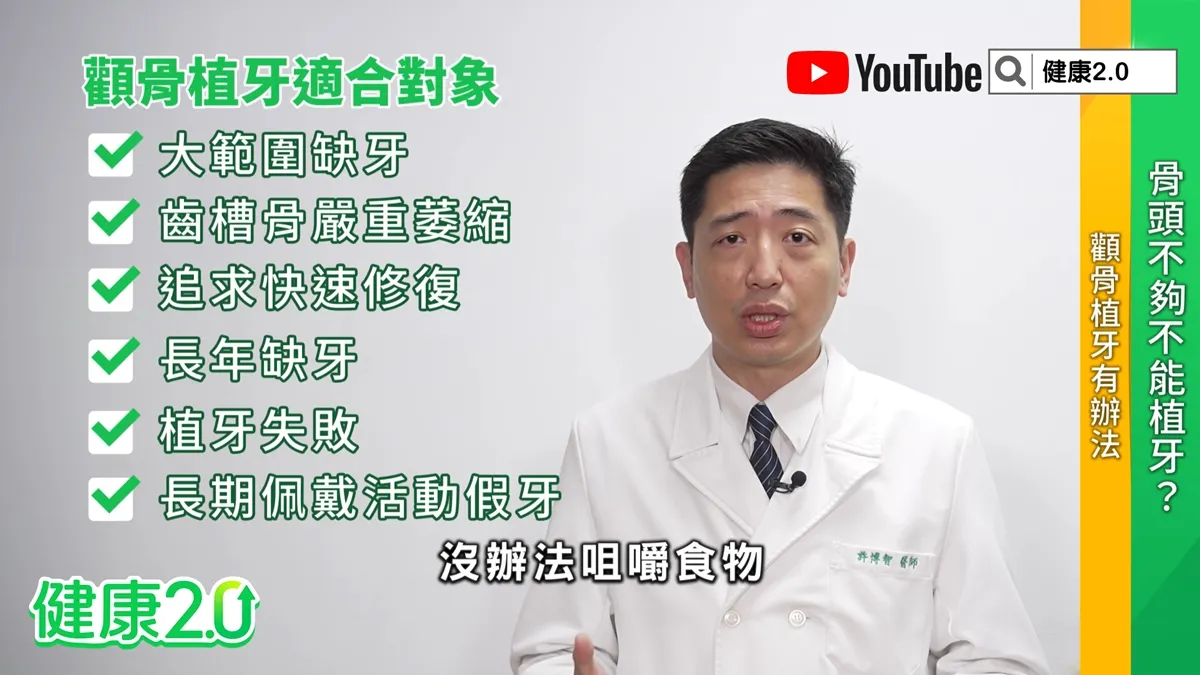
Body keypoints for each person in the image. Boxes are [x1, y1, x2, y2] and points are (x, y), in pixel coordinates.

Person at [509, 118, 1051, 675]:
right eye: (731, 239)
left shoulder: (937, 446)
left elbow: (995, 657)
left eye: (797, 238)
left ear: (844, 264)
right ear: (688, 268)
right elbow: (556, 648)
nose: (764, 273)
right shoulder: (608, 444)